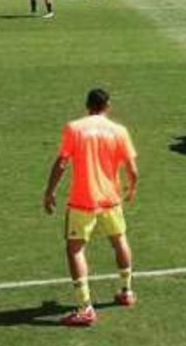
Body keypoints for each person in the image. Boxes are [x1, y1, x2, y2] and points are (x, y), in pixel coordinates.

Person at [43, 89, 139, 327]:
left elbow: (62, 162)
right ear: (108, 106)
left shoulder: (74, 128)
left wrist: (50, 191)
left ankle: (85, 307)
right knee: (120, 240)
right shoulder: (119, 131)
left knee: (75, 250)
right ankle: (126, 291)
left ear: (87, 105)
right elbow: (132, 168)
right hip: (111, 199)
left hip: (83, 201)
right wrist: (132, 187)